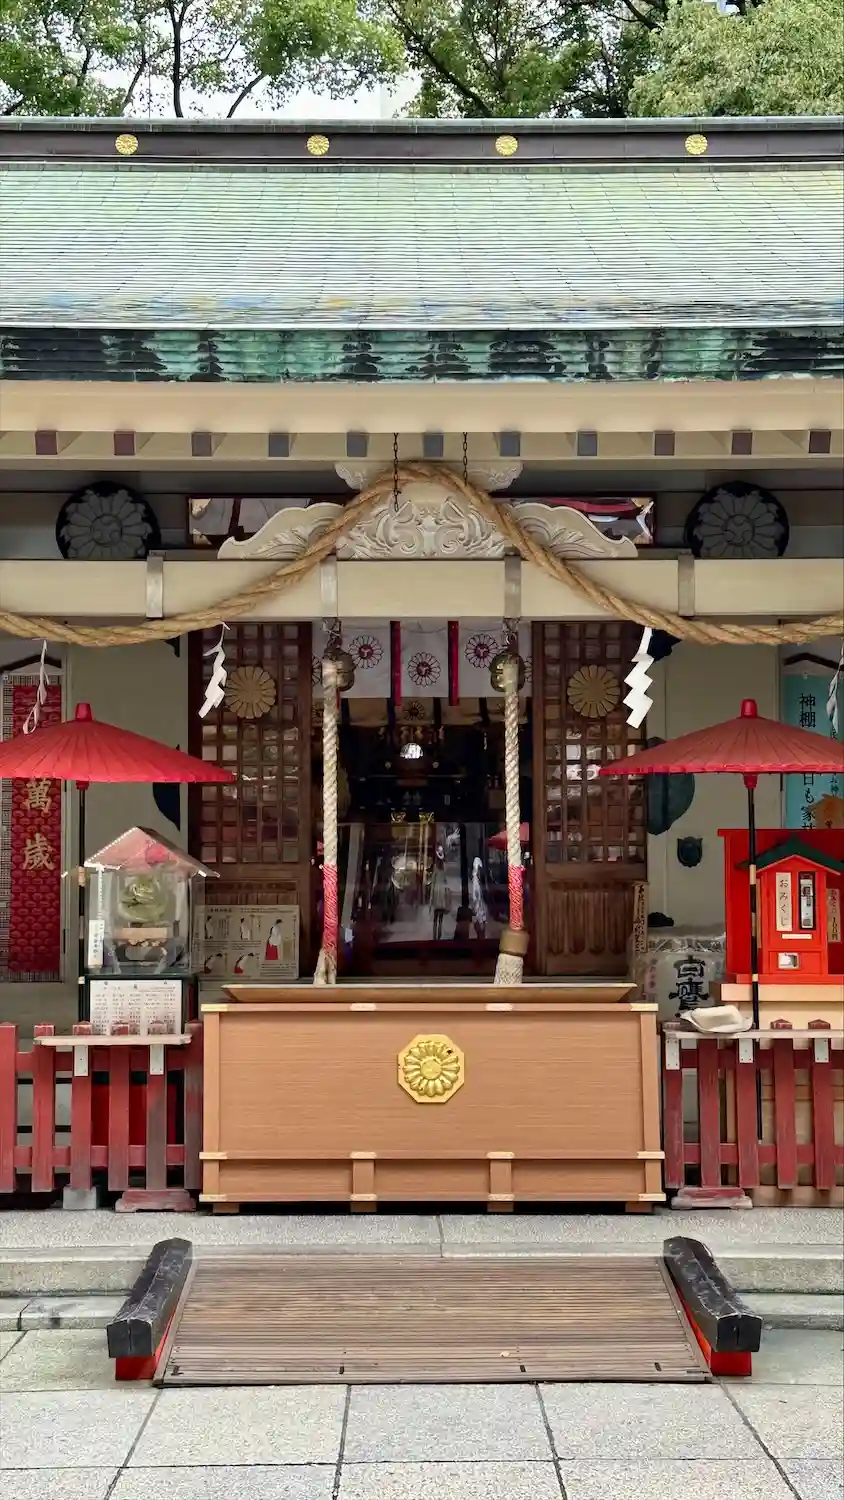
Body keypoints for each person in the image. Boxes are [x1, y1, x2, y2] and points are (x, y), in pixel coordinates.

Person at [429, 845, 451, 940]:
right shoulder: (445, 867)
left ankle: (434, 935)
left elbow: (433, 881)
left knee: (435, 915)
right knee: (441, 916)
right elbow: (446, 881)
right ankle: (439, 933)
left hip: (436, 891)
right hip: (442, 891)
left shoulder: (435, 867)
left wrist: (431, 897)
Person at [469, 855, 488, 939]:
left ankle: (481, 934)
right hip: (478, 903)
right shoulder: (475, 879)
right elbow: (475, 893)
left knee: (481, 919)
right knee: (479, 918)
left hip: (480, 903)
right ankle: (480, 935)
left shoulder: (478, 879)